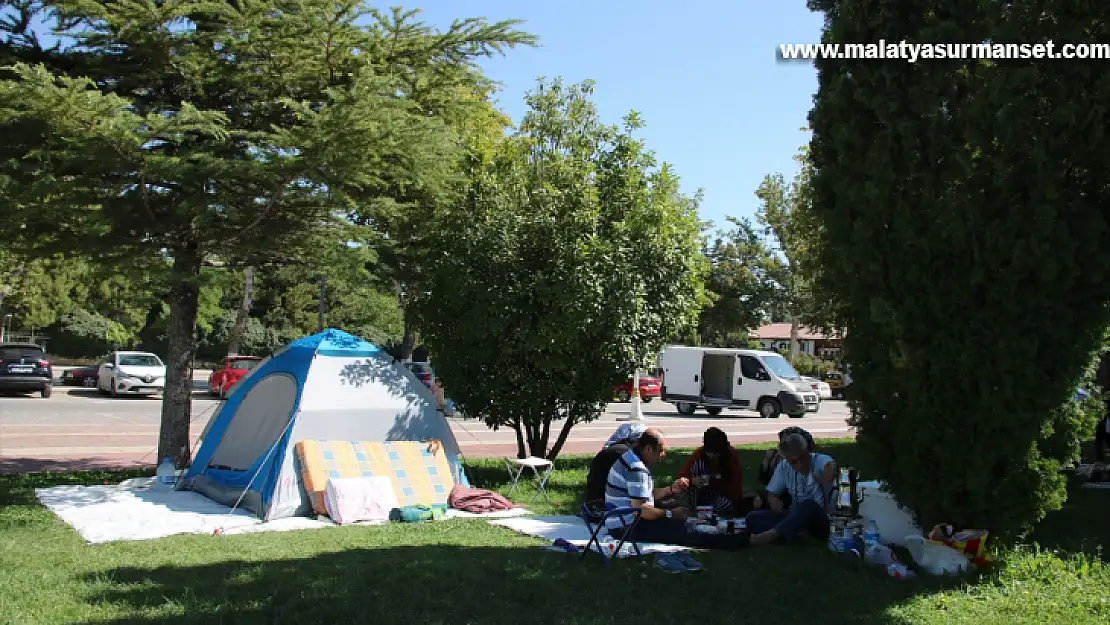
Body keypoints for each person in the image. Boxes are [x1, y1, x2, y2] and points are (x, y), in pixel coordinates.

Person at [604, 429, 748, 556]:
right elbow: (641, 511)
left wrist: (670, 490)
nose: (664, 455)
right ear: (648, 449)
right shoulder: (636, 469)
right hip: (625, 527)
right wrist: (671, 513)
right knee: (685, 530)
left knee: (683, 522)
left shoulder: (629, 457)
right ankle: (734, 541)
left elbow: (643, 496)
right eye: (661, 451)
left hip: (620, 521)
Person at [746, 433, 837, 546]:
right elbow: (771, 493)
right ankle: (795, 531)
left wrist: (830, 471)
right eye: (794, 461)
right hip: (795, 516)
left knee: (809, 505)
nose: (800, 463)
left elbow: (829, 465)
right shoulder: (784, 466)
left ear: (806, 451)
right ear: (787, 459)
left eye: (802, 457)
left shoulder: (819, 460)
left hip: (822, 519)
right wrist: (773, 500)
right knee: (752, 518)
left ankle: (770, 536)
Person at [673, 427, 756, 515]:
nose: (712, 456)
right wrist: (692, 480)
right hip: (695, 494)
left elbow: (735, 482)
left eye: (715, 453)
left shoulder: (731, 455)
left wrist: (736, 503)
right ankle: (692, 509)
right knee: (699, 466)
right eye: (709, 452)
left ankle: (700, 512)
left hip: (715, 495)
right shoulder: (698, 455)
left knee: (726, 504)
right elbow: (680, 478)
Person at [585, 423, 649, 502]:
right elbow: (638, 494)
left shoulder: (612, 450)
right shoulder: (625, 454)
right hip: (608, 505)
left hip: (595, 500)